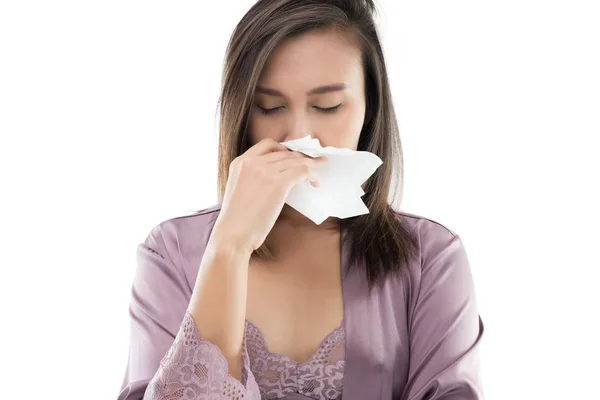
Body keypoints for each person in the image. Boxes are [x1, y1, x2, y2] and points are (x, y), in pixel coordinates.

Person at [117, 0, 485, 399]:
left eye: (327, 106)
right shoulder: (171, 253)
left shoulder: (429, 258)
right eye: (270, 107)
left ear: (370, 108)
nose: (300, 138)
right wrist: (228, 249)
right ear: (242, 112)